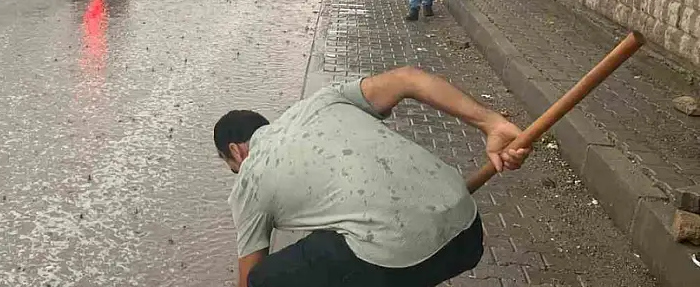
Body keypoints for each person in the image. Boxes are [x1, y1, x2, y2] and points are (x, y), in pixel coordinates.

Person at [214, 67, 530, 287]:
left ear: (236, 152)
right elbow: (409, 78)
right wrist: (491, 123)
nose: (237, 175)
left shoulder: (250, 179)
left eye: (232, 168)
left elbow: (247, 280)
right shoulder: (323, 101)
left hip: (396, 260)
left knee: (262, 281)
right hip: (467, 230)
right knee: (338, 241)